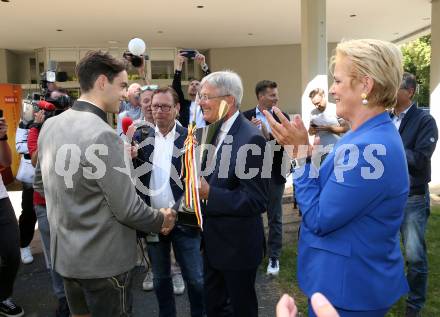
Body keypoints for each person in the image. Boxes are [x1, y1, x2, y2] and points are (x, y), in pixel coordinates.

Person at [264, 39, 409, 316]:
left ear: (365, 86)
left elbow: (319, 218)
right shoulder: (361, 134)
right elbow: (333, 190)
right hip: (343, 283)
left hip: (351, 292)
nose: (332, 89)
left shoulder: (368, 148)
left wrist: (302, 157)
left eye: (339, 81)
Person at [34, 50, 176, 317]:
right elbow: (128, 210)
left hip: (66, 261)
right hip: (104, 268)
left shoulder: (50, 126)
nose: (125, 94)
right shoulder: (104, 135)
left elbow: (42, 187)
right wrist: (162, 219)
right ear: (102, 82)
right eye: (122, 85)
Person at [198, 70, 269, 317]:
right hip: (213, 245)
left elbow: (256, 200)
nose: (199, 102)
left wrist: (209, 194)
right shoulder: (213, 131)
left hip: (238, 249)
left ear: (228, 101)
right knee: (214, 308)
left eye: (205, 96)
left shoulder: (251, 138)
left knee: (241, 310)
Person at [132, 87, 204, 317]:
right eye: (155, 106)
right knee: (161, 279)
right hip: (154, 220)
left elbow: (194, 184)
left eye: (165, 106)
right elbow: (135, 179)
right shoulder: (141, 137)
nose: (160, 111)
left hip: (184, 218)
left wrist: (172, 215)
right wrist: (129, 159)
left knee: (195, 278)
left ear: (177, 109)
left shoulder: (190, 139)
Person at [393, 72, 438, 317]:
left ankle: (414, 305)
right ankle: (388, 292)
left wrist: (390, 141)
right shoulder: (388, 117)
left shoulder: (424, 120)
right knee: (385, 249)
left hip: (413, 198)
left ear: (409, 91)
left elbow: (420, 159)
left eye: (395, 86)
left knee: (414, 256)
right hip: (388, 197)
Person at [242, 80, 290, 276]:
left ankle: (274, 257)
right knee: (252, 216)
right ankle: (256, 253)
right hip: (251, 176)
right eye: (272, 95)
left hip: (274, 173)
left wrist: (264, 132)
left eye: (276, 95)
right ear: (261, 96)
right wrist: (251, 132)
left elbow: (281, 143)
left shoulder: (282, 116)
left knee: (275, 217)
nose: (276, 98)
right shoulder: (244, 117)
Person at [0, 116, 24, 317]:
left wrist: (2, 137)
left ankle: (3, 296)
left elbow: (6, 162)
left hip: (0, 199)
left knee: (11, 252)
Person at [15, 117, 36, 264]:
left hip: (54, 171)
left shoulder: (56, 118)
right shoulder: (25, 123)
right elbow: (20, 147)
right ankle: (24, 245)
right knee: (29, 211)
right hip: (31, 175)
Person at [172, 52, 210, 128]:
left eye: (197, 84)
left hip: (204, 137)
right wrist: (179, 65)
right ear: (188, 89)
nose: (194, 86)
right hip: (187, 137)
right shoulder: (183, 104)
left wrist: (203, 64)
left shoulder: (208, 103)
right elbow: (176, 87)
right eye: (191, 84)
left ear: (202, 89)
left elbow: (212, 83)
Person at [308, 88, 349, 155]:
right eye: (314, 104)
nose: (316, 106)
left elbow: (346, 128)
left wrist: (329, 129)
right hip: (320, 150)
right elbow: (310, 132)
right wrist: (312, 130)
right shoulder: (313, 113)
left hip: (336, 148)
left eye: (318, 103)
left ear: (324, 96)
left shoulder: (336, 108)